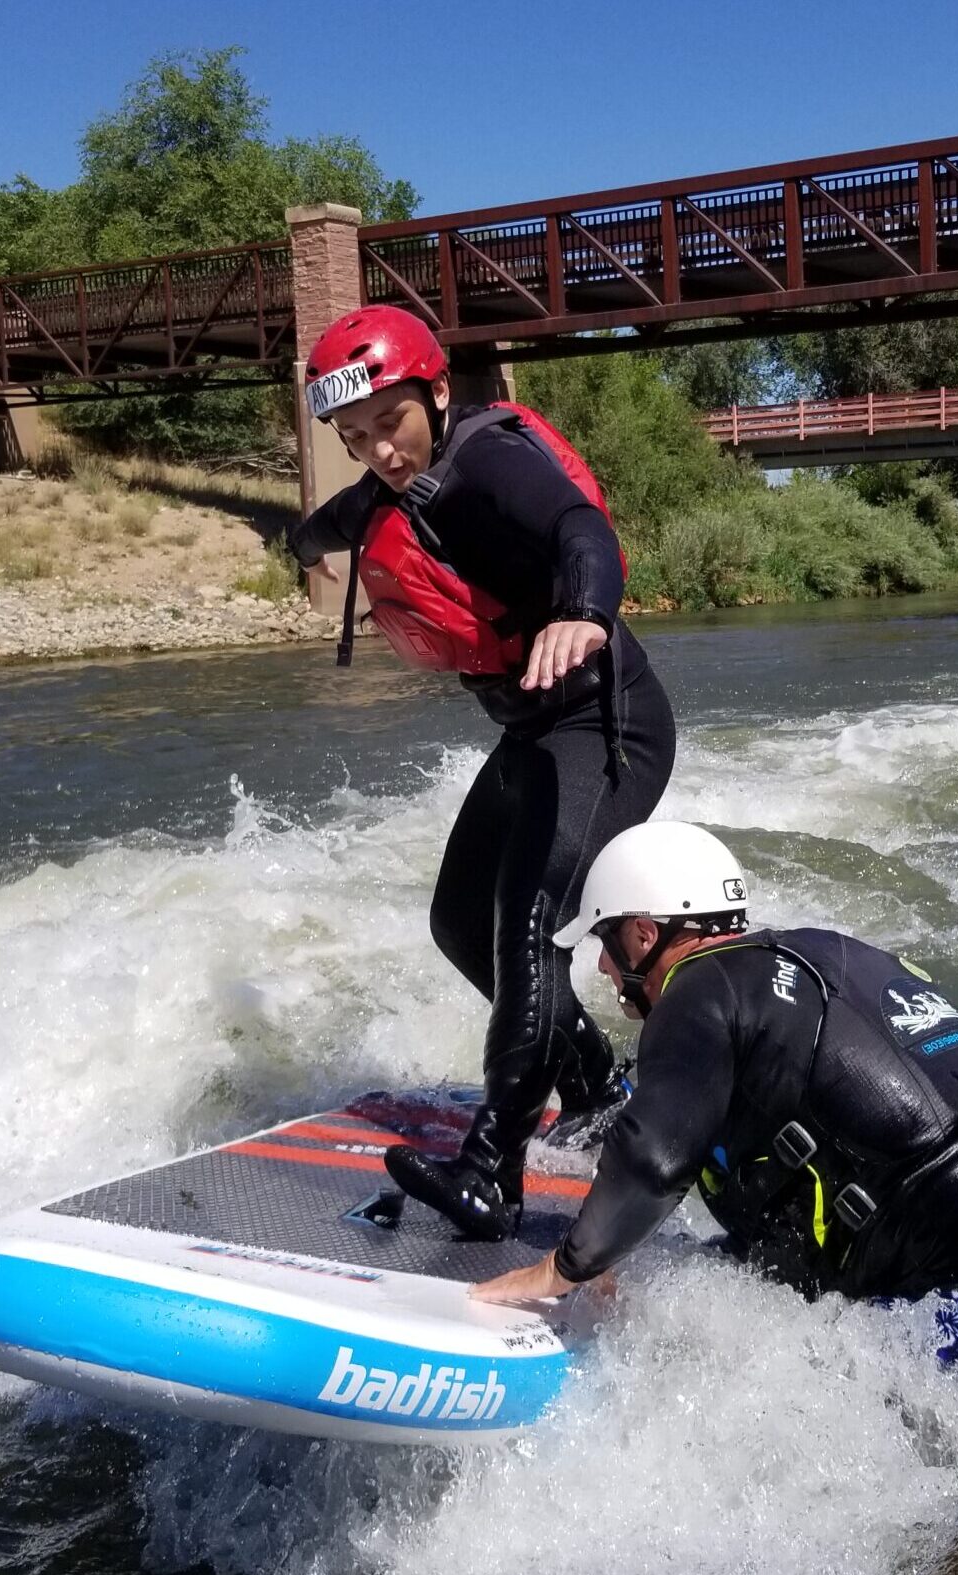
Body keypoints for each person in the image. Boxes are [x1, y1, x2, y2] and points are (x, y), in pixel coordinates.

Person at [467, 822, 958, 1373]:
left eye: (605, 942)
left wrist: (568, 1266)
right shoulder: (822, 948)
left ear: (644, 933)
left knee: (721, 1375)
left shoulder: (697, 994)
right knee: (699, 1282)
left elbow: (653, 1158)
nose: (606, 967)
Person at [287, 305, 678, 1240]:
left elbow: (580, 525)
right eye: (355, 437)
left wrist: (582, 608)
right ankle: (589, 1083)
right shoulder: (391, 483)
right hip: (531, 733)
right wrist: (298, 545)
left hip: (604, 720)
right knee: (460, 921)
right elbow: (341, 519)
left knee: (530, 922)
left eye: (392, 424)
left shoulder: (490, 461)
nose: (380, 451)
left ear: (433, 394)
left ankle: (490, 1174)